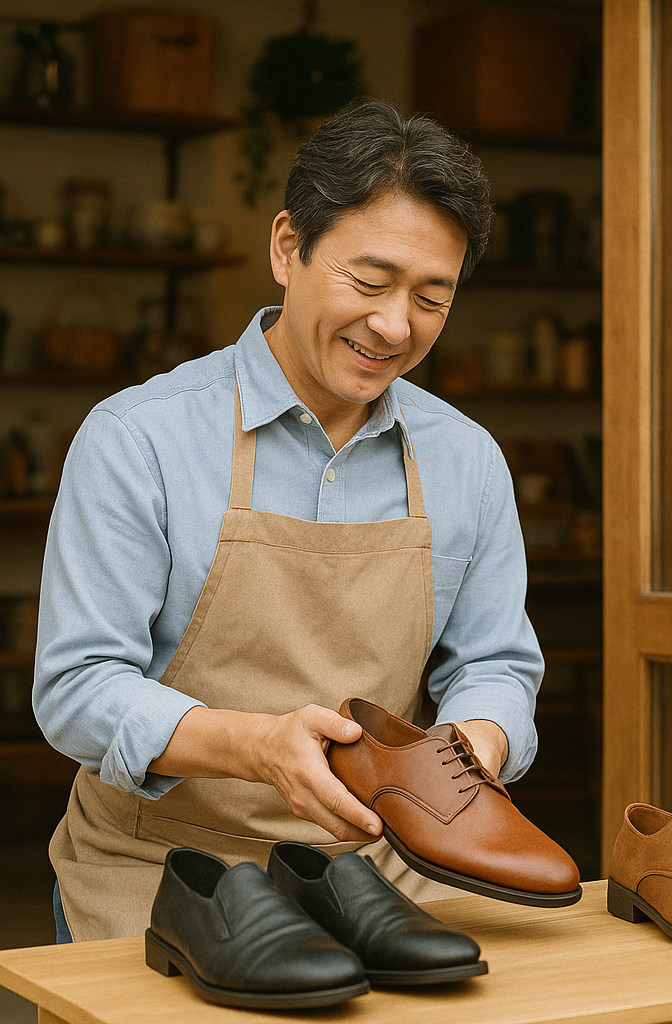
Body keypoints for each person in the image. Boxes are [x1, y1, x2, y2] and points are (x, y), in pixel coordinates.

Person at [33, 98, 544, 942]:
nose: (393, 325)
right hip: (161, 872)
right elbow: (78, 687)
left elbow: (494, 663)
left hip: (384, 881)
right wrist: (258, 746)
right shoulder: (138, 440)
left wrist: (466, 753)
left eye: (431, 297)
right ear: (287, 248)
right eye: (369, 282)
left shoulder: (468, 459)